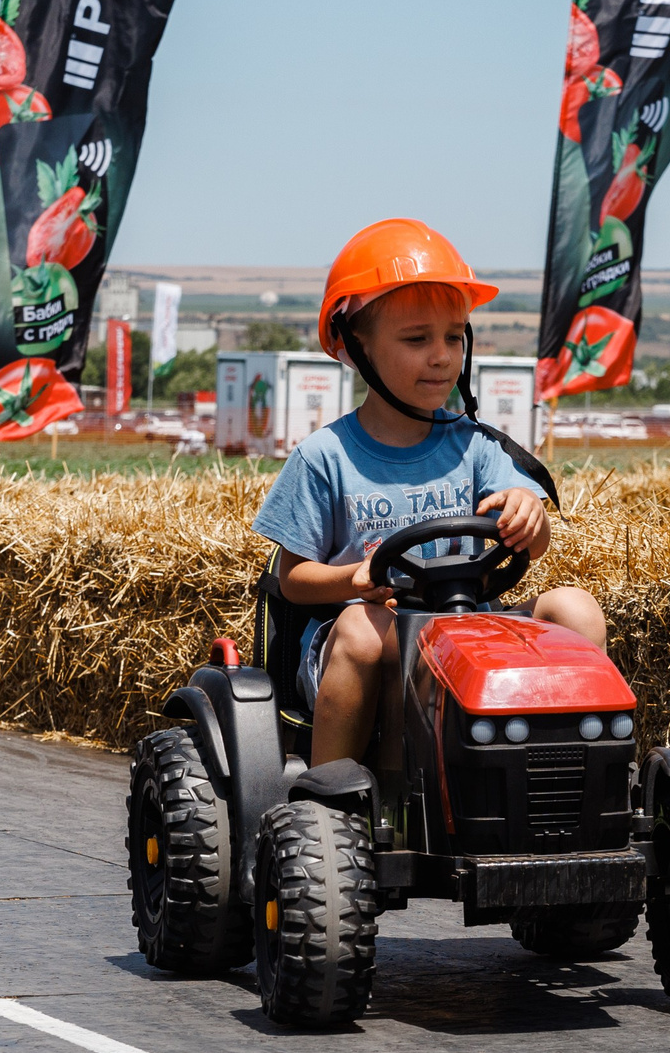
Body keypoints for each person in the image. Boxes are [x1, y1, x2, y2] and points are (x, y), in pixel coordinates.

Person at [252, 218, 606, 767]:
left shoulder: (479, 448)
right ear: (354, 345)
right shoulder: (325, 457)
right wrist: (354, 579)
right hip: (366, 642)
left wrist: (529, 514)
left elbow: (532, 546)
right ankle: (333, 796)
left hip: (470, 630)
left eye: (453, 336)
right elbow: (292, 582)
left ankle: (574, 773)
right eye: (417, 339)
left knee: (575, 608)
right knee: (365, 628)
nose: (441, 356)